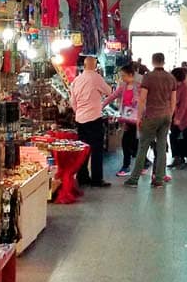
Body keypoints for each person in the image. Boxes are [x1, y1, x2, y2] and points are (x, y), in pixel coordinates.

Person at [125, 52, 176, 188]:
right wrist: (170, 115)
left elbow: (142, 99)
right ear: (163, 62)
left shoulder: (148, 77)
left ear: (153, 62)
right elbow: (173, 100)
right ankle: (159, 179)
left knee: (143, 147)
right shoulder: (171, 78)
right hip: (165, 116)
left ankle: (134, 179)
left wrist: (139, 117)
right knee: (161, 147)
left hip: (151, 116)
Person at [69, 56, 119, 188]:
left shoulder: (77, 80)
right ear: (95, 65)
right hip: (94, 119)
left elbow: (72, 101)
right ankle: (97, 179)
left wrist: (78, 112)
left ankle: (82, 177)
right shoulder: (96, 77)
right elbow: (109, 92)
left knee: (83, 148)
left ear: (84, 65)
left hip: (80, 119)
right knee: (96, 149)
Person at [113, 64, 142, 177]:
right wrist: (102, 105)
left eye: (123, 75)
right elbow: (113, 96)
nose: (122, 78)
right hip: (127, 118)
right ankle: (128, 165)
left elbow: (143, 102)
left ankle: (130, 166)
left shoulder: (139, 87)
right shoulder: (123, 86)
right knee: (127, 143)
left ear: (131, 75)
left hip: (137, 120)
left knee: (133, 143)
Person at [170, 67, 187, 169]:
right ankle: (178, 158)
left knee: (186, 140)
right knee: (174, 138)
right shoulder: (175, 87)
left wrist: (178, 118)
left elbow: (184, 105)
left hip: (185, 119)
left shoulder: (186, 88)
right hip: (176, 117)